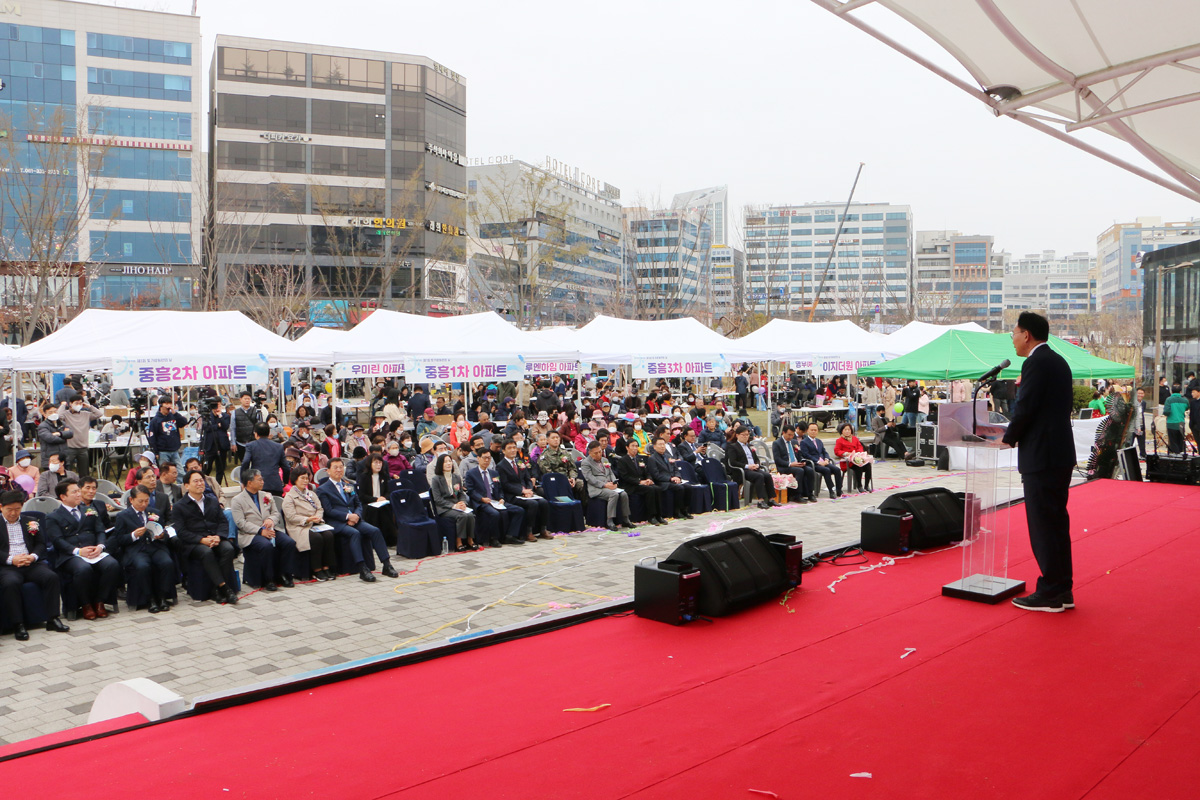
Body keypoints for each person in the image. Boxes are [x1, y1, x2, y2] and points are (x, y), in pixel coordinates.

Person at [1002, 311, 1077, 613]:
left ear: (1027, 335)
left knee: (1044, 526)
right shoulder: (1057, 361)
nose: (1013, 337)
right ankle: (1061, 589)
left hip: (1042, 456)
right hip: (1057, 454)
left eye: (1015, 332)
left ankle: (1051, 592)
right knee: (1056, 523)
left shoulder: (1035, 362)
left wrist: (1006, 438)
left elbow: (1026, 408)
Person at [43, 478, 120, 620]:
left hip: (94, 551)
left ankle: (99, 601)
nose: (79, 494)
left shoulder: (89, 510)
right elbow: (58, 540)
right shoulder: (53, 517)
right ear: (63, 497)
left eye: (79, 491)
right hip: (71, 554)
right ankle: (86, 605)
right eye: (74, 492)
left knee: (112, 564)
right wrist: (78, 551)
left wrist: (100, 546)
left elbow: (100, 531)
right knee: (83, 569)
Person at [0, 490, 70, 639]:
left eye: (17, 509)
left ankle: (52, 618)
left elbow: (41, 544)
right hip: (7, 565)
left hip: (30, 562)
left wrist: (32, 557)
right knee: (11, 583)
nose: (13, 513)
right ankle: (18, 624)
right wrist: (12, 559)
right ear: (1, 507)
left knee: (51, 577)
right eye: (9, 510)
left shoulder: (30, 521)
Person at [317, 458, 397, 582]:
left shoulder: (348, 485)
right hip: (337, 522)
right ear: (328, 471)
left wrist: (356, 515)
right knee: (354, 533)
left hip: (355, 519)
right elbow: (328, 510)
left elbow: (358, 504)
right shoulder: (323, 489)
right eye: (335, 467)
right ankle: (362, 568)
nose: (339, 470)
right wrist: (347, 517)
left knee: (374, 530)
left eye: (341, 467)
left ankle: (386, 564)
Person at [173, 469, 239, 605]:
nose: (200, 484)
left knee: (228, 549)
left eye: (201, 480)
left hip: (214, 538)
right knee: (206, 552)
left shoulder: (212, 500)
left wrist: (218, 536)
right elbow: (181, 531)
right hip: (194, 543)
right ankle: (225, 589)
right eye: (195, 481)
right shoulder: (179, 506)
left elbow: (222, 521)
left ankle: (217, 588)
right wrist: (201, 540)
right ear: (186, 485)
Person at [109, 485, 176, 613]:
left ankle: (162, 597)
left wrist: (162, 535)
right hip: (136, 549)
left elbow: (165, 532)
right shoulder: (123, 516)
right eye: (140, 501)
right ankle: (149, 598)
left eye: (146, 501)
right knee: (142, 566)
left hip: (155, 546)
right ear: (131, 500)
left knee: (167, 562)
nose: (144, 504)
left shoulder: (154, 512)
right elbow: (119, 539)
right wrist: (133, 535)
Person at [231, 468, 296, 592]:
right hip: (250, 534)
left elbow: (276, 512)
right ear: (249, 482)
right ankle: (268, 579)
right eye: (259, 479)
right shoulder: (237, 500)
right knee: (266, 546)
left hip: (270, 529)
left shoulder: (266, 495)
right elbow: (241, 523)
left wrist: (271, 520)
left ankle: (284, 574)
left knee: (289, 543)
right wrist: (260, 531)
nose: (262, 482)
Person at [281, 467, 338, 581]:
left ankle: (326, 566)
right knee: (316, 538)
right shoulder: (289, 497)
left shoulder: (311, 493)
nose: (305, 481)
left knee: (328, 535)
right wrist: (308, 519)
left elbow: (320, 508)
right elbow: (291, 517)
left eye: (307, 478)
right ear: (295, 480)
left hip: (314, 523)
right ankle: (317, 569)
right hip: (299, 527)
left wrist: (317, 517)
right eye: (302, 478)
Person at [464, 449, 525, 546]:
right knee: (495, 514)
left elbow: (499, 488)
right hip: (482, 502)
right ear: (478, 458)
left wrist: (501, 498)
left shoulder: (494, 473)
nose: (487, 460)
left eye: (489, 458)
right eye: (484, 458)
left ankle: (510, 535)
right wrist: (481, 498)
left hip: (495, 501)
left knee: (519, 510)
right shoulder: (471, 473)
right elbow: (471, 491)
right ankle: (494, 538)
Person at [498, 438, 551, 541]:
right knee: (533, 504)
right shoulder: (501, 466)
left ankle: (543, 529)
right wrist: (522, 491)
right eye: (509, 448)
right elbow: (505, 484)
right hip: (513, 495)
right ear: (503, 451)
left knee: (544, 502)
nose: (513, 450)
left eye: (514, 447)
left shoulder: (519, 462)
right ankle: (528, 532)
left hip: (526, 493)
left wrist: (529, 490)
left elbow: (527, 478)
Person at [430, 452, 479, 551]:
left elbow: (461, 493)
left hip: (457, 504)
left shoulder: (456, 477)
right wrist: (454, 506)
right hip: (444, 508)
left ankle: (470, 540)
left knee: (470, 515)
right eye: (445, 462)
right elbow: (437, 499)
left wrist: (462, 503)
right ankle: (458, 542)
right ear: (440, 464)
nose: (448, 464)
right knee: (462, 516)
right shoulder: (436, 479)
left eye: (450, 461)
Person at [579, 440, 632, 531]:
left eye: (600, 452)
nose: (599, 454)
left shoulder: (605, 460)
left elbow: (610, 473)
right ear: (590, 453)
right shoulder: (586, 463)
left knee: (624, 494)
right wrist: (604, 485)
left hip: (609, 485)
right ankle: (610, 520)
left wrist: (614, 482)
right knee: (613, 495)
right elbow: (590, 478)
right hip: (597, 488)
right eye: (596, 453)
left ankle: (625, 518)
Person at [611, 438, 665, 525]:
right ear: (627, 448)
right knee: (650, 490)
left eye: (636, 446)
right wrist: (639, 481)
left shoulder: (640, 459)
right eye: (632, 446)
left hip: (642, 483)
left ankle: (659, 515)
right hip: (631, 485)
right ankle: (651, 516)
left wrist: (648, 479)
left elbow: (646, 472)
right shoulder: (622, 460)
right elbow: (625, 477)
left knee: (657, 489)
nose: (635, 448)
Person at [725, 426, 776, 509]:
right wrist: (748, 466)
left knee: (767, 475)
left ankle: (771, 499)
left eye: (747, 435)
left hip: (753, 469)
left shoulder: (750, 446)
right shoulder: (733, 447)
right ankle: (760, 500)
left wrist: (757, 465)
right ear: (737, 435)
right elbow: (733, 462)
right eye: (743, 435)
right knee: (759, 476)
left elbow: (756, 459)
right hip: (742, 470)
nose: (745, 437)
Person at [647, 437, 693, 520]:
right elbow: (656, 475)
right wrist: (670, 478)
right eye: (660, 444)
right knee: (679, 488)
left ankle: (685, 510)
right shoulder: (652, 459)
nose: (662, 446)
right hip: (663, 482)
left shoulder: (668, 456)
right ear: (654, 446)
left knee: (688, 487)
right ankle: (677, 511)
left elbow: (676, 469)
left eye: (663, 444)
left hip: (672, 479)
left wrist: (678, 477)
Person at [356, 453, 397, 545]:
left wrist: (384, 498)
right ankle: (374, 541)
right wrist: (375, 499)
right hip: (369, 503)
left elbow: (388, 492)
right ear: (370, 464)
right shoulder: (364, 477)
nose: (378, 465)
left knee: (386, 509)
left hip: (382, 502)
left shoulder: (384, 476)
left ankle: (389, 540)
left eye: (380, 463)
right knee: (374, 511)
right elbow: (362, 495)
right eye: (376, 463)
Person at [58, 393, 102, 476]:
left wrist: (89, 406)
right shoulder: (66, 414)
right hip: (70, 447)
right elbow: (59, 416)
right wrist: (63, 405)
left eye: (80, 403)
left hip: (83, 448)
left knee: (84, 472)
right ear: (71, 403)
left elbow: (99, 414)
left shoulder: (86, 414)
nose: (79, 405)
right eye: (76, 403)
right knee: (67, 469)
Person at [242, 422, 289, 495]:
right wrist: (285, 481)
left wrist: (244, 481)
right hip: (274, 485)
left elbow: (245, 462)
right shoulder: (278, 447)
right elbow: (286, 467)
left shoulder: (251, 446)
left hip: (256, 484)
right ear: (269, 433)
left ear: (256, 434)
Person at [771, 424, 815, 503]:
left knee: (809, 470)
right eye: (789, 435)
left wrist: (802, 461)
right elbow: (777, 460)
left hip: (796, 464)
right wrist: (790, 464)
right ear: (783, 433)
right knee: (799, 471)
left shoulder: (794, 442)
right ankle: (797, 495)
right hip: (785, 466)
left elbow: (799, 455)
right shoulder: (777, 443)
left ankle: (810, 493)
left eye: (792, 435)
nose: (791, 437)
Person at [799, 422, 843, 498]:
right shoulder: (804, 442)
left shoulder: (819, 441)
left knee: (837, 469)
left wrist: (826, 459)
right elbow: (806, 455)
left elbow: (824, 451)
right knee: (826, 470)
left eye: (815, 430)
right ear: (807, 431)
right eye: (811, 430)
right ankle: (831, 490)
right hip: (814, 464)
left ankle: (839, 490)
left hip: (823, 462)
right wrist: (818, 462)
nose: (813, 432)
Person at [538, 431, 585, 501]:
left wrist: (572, 478)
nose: (556, 439)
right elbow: (549, 473)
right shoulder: (544, 456)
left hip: (569, 479)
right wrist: (565, 480)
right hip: (555, 481)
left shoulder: (565, 453)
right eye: (553, 438)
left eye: (557, 437)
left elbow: (572, 468)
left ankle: (583, 509)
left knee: (582, 484)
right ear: (547, 440)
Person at [147, 398, 188, 470]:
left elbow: (184, 422)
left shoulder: (173, 416)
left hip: (174, 449)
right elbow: (152, 437)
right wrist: (155, 452)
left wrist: (175, 413)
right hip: (163, 451)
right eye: (166, 404)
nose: (168, 406)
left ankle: (181, 481)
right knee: (165, 471)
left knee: (180, 470)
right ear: (161, 406)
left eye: (170, 403)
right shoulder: (155, 420)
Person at [834, 422, 873, 493]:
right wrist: (846, 453)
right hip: (847, 462)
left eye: (848, 429)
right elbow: (837, 451)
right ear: (842, 431)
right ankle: (859, 486)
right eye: (845, 430)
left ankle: (866, 485)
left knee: (868, 465)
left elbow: (860, 447)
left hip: (857, 459)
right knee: (858, 466)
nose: (847, 431)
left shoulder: (855, 439)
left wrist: (858, 453)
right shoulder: (839, 440)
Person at [200, 401, 232, 483]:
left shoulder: (224, 416)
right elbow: (206, 428)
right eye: (215, 406)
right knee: (208, 467)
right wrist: (217, 425)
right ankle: (204, 483)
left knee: (220, 468)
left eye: (219, 406)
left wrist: (220, 416)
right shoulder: (207, 416)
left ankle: (218, 485)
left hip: (221, 445)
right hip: (210, 445)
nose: (217, 408)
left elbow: (225, 426)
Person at [36, 402, 73, 469]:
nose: (53, 414)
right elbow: (50, 438)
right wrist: (64, 438)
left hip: (64, 457)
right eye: (50, 412)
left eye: (55, 411)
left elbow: (70, 433)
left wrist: (60, 434)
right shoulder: (42, 426)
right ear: (45, 415)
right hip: (50, 459)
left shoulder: (62, 423)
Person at [1163, 384, 1188, 454]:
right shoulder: (1185, 400)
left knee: (1173, 442)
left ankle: (1176, 457)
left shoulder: (1169, 400)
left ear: (1171, 391)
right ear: (1180, 391)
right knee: (1180, 441)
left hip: (1171, 423)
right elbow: (1187, 408)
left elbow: (1166, 412)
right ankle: (1181, 456)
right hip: (1181, 423)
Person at [1132, 387, 1148, 458]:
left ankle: (1143, 455)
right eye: (1139, 393)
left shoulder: (1143, 403)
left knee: (1142, 443)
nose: (1140, 395)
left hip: (1141, 425)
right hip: (1133, 427)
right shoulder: (1132, 403)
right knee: (1130, 443)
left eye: (1142, 393)